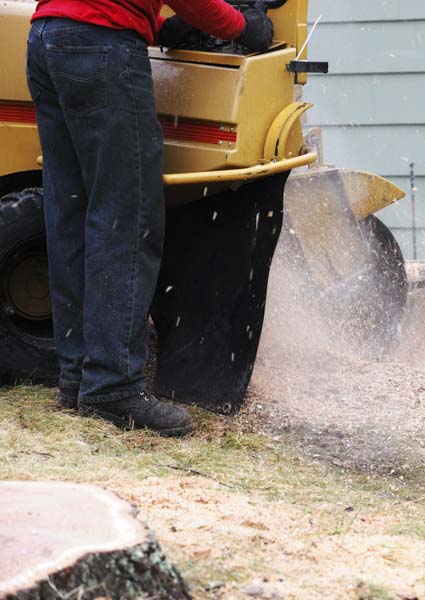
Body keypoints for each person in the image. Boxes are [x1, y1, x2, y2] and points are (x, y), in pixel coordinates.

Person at [26, 0, 273, 436]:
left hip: (48, 36)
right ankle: (113, 385)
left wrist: (157, 27)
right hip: (101, 46)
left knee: (71, 210)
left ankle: (78, 376)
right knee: (125, 214)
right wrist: (242, 25)